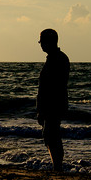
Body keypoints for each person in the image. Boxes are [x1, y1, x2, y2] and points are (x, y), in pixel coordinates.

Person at [37, 29, 70, 172]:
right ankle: (57, 166)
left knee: (51, 135)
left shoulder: (57, 59)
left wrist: (43, 108)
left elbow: (52, 86)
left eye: (42, 42)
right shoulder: (57, 58)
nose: (41, 46)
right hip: (54, 103)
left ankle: (57, 167)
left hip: (53, 104)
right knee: (51, 135)